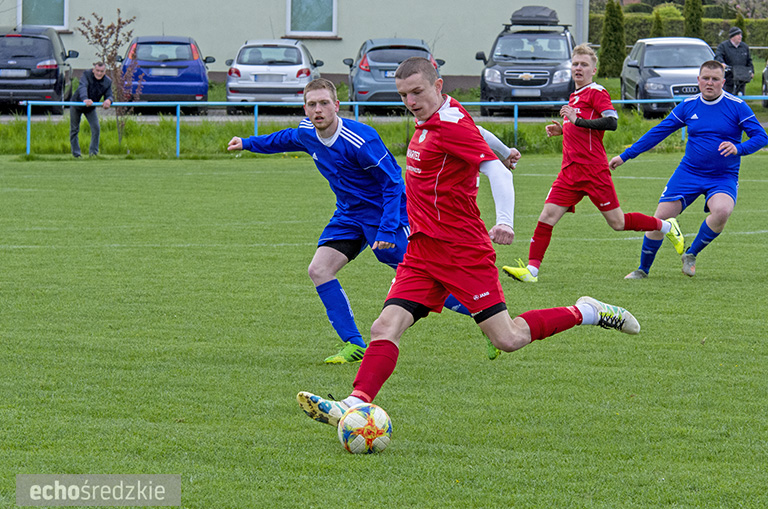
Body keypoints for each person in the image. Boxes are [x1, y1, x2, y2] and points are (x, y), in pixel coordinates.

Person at [296, 57, 641, 429]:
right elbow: (477, 131)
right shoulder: (438, 114)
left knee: (508, 338)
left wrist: (505, 220)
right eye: (403, 95)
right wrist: (503, 146)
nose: (410, 101)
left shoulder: (448, 125)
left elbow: (496, 171)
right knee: (384, 327)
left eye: (417, 92)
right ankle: (353, 403)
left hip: (463, 253)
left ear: (438, 85)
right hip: (422, 250)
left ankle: (586, 311)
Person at [227, 78, 520, 364]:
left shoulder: (361, 140)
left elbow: (393, 183)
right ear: (305, 109)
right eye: (312, 104)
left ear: (336, 106)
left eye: (324, 103)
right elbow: (285, 138)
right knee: (319, 269)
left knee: (428, 280)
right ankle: (353, 344)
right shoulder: (307, 132)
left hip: (386, 214)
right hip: (349, 215)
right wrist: (248, 143)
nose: (318, 110)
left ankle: (486, 319)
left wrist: (387, 229)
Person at [502, 44, 684, 284]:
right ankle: (531, 271)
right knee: (547, 216)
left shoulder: (597, 92)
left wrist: (576, 121)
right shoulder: (575, 95)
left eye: (584, 65)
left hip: (593, 171)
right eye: (575, 64)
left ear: (593, 70)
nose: (578, 68)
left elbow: (611, 122)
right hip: (569, 172)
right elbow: (583, 126)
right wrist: (564, 129)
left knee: (618, 223)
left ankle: (666, 227)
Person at [610, 60, 768, 279]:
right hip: (689, 173)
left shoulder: (737, 106)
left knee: (722, 211)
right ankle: (642, 270)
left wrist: (738, 148)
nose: (710, 83)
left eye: (715, 79)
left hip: (723, 176)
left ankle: (691, 254)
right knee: (659, 219)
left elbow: (761, 137)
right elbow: (658, 132)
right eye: (706, 78)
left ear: (723, 82)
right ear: (698, 80)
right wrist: (625, 155)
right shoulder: (688, 105)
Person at [70, 62, 113, 158]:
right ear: (93, 70)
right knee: (74, 129)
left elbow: (109, 94)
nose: (99, 73)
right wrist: (85, 99)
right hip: (77, 104)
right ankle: (76, 155)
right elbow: (83, 87)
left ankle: (93, 154)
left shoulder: (108, 82)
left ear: (105, 72)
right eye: (97, 71)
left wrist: (109, 100)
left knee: (96, 128)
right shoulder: (86, 75)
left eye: (101, 71)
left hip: (90, 108)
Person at [715, 27, 754, 96]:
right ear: (732, 36)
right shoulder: (723, 46)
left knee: (740, 97)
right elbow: (718, 56)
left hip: (741, 78)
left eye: (741, 35)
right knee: (728, 97)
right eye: (738, 35)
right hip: (728, 78)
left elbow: (749, 61)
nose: (740, 37)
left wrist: (752, 71)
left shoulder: (744, 47)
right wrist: (722, 63)